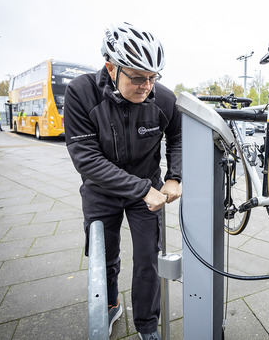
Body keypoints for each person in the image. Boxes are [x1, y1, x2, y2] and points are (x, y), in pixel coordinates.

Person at [64, 22, 182, 340]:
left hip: (148, 189)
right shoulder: (81, 92)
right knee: (105, 257)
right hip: (101, 191)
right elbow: (86, 160)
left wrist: (174, 177)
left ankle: (146, 325)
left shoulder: (164, 99)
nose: (147, 86)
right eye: (138, 77)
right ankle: (111, 303)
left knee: (148, 258)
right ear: (111, 67)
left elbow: (177, 137)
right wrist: (143, 188)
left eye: (152, 77)